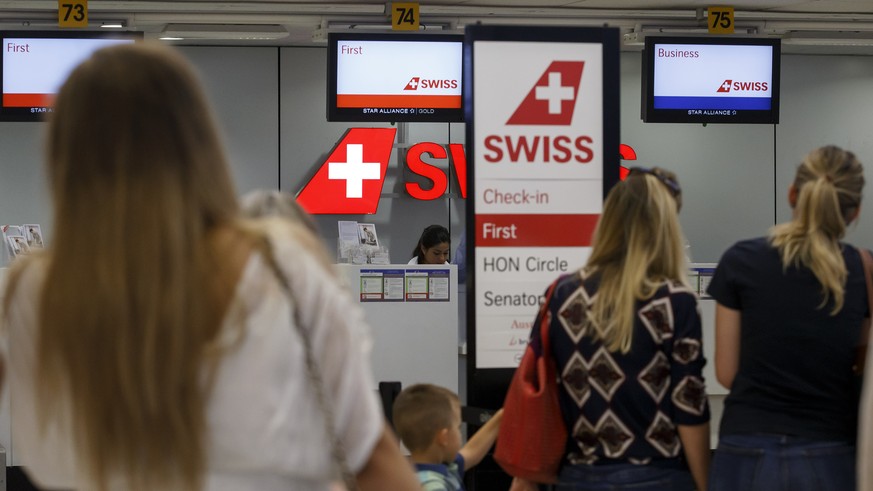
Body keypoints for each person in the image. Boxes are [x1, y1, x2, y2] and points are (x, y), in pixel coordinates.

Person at [0, 43, 420, 491]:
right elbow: (370, 456)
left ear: (64, 158)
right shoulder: (282, 268)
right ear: (200, 143)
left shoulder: (30, 292)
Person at [511, 167, 710, 491]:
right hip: (658, 474)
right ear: (665, 228)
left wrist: (524, 478)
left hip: (579, 475)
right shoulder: (675, 301)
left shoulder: (563, 294)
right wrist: (705, 484)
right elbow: (689, 402)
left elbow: (542, 385)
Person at [707, 145, 866, 491]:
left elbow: (726, 372)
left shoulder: (740, 260)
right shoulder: (862, 271)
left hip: (744, 450)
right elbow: (861, 368)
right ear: (855, 211)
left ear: (793, 194)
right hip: (828, 451)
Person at [392, 383, 504, 491]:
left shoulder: (444, 466)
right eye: (458, 427)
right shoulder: (430, 485)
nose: (460, 433)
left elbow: (472, 451)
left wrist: (501, 417)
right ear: (443, 437)